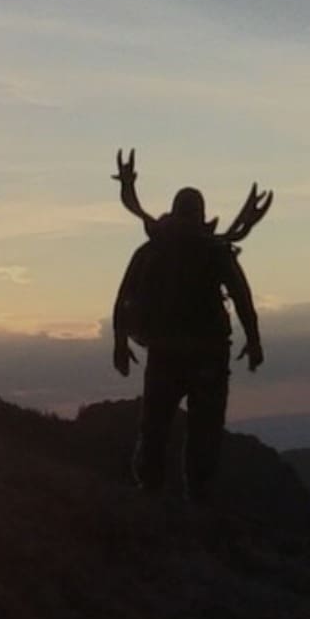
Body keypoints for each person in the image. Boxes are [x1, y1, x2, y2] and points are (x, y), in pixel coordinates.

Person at [111, 173, 267, 503]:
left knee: (155, 426)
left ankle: (149, 490)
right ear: (201, 213)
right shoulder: (215, 250)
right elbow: (241, 295)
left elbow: (124, 296)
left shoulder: (152, 249)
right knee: (204, 431)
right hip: (208, 354)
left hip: (164, 352)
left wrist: (121, 343)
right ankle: (198, 497)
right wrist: (253, 340)